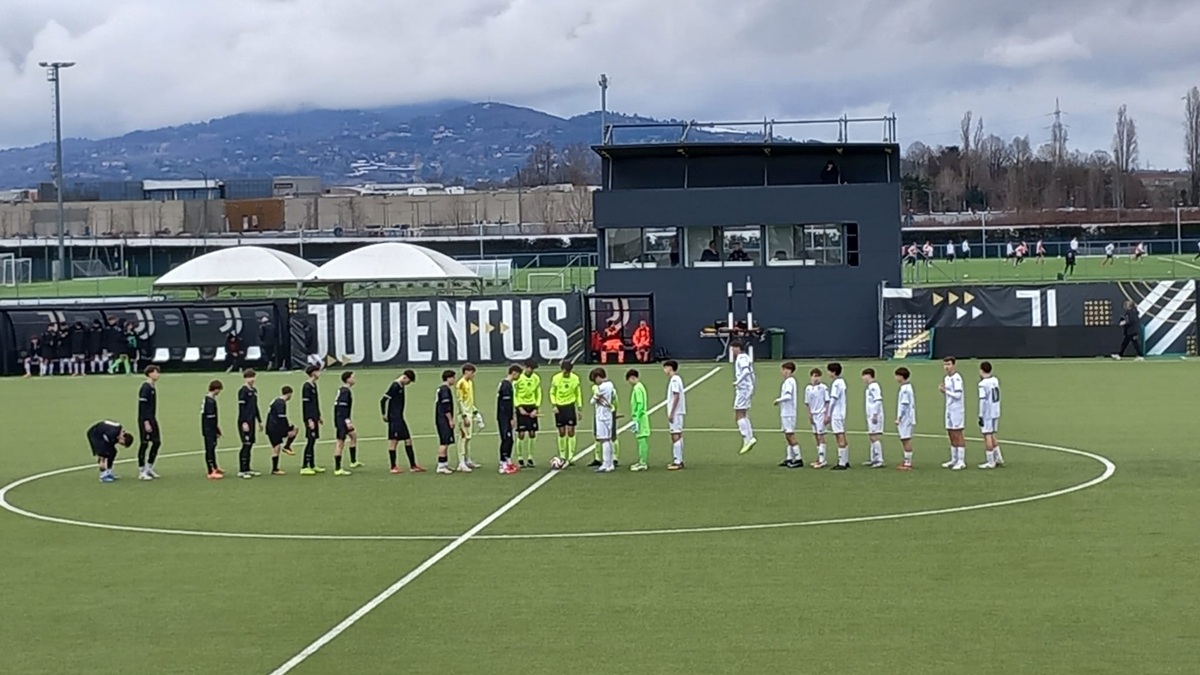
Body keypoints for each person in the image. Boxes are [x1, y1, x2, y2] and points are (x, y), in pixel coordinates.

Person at [380, 369, 424, 475]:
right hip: (395, 418)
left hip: (400, 418)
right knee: (394, 441)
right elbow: (383, 400)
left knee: (408, 440)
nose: (408, 384)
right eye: (409, 381)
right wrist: (384, 414)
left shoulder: (401, 386)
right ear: (405, 377)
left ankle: (413, 465)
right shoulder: (395, 386)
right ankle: (393, 466)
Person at [550, 360, 583, 465]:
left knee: (571, 431)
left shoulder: (575, 378)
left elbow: (578, 393)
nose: (566, 373)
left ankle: (571, 456)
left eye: (568, 371)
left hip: (570, 406)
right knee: (561, 432)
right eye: (565, 371)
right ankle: (562, 455)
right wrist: (554, 405)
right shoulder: (556, 378)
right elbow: (552, 392)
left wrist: (579, 408)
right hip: (559, 407)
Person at [730, 341, 758, 454]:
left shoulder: (742, 358)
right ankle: (750, 438)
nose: (732, 351)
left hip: (743, 389)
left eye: (733, 348)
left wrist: (738, 381)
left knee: (738, 413)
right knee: (743, 413)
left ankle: (747, 439)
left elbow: (746, 371)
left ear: (738, 348)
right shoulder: (744, 357)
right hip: (746, 388)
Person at [939, 356, 967, 471]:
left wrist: (946, 391)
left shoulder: (957, 378)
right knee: (950, 433)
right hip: (949, 409)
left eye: (949, 364)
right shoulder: (946, 378)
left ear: (954, 365)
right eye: (945, 364)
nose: (946, 367)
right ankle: (954, 459)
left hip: (957, 409)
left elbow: (958, 395)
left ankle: (961, 460)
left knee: (958, 433)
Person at [773, 361, 802, 468]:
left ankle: (798, 458)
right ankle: (789, 457)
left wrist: (778, 400)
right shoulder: (788, 381)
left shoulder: (790, 381)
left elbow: (788, 396)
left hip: (789, 413)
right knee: (787, 435)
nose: (784, 372)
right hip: (786, 412)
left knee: (790, 434)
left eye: (786, 369)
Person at [513, 360, 542, 467]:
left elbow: (538, 393)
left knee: (532, 432)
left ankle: (530, 457)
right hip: (521, 406)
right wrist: (519, 407)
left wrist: (536, 408)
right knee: (521, 433)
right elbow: (514, 394)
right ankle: (520, 458)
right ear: (526, 367)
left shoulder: (536, 378)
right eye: (530, 368)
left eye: (533, 369)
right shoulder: (518, 378)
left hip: (532, 406)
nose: (532, 370)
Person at [136, 365, 163, 481]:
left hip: (152, 418)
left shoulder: (152, 387)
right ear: (150, 373)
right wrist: (146, 422)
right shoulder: (145, 388)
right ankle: (141, 470)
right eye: (156, 372)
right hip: (145, 419)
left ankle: (149, 467)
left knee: (156, 442)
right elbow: (142, 407)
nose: (158, 374)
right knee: (144, 443)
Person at [977, 362, 1004, 470]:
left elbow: (982, 400)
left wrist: (980, 415)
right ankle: (998, 458)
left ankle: (990, 461)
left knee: (987, 435)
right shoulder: (995, 380)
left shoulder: (983, 384)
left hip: (987, 412)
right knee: (992, 434)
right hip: (995, 410)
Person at [455, 363, 482, 472]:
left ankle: (467, 459)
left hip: (470, 412)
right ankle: (461, 462)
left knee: (468, 438)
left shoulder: (470, 383)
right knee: (463, 438)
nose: (473, 375)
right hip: (464, 415)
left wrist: (476, 412)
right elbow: (460, 400)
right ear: (466, 372)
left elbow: (469, 400)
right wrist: (464, 415)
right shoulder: (461, 383)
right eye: (472, 372)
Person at [236, 369, 263, 479]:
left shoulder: (254, 390)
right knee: (246, 444)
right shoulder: (242, 391)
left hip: (252, 421)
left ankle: (248, 468)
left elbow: (255, 407)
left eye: (253, 377)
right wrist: (244, 422)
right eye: (250, 377)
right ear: (245, 378)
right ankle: (242, 470)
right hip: (245, 421)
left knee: (251, 443)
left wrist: (259, 421)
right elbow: (242, 408)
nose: (252, 379)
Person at [589, 367, 617, 473]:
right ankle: (610, 464)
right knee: (608, 439)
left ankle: (606, 464)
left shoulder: (602, 387)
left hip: (602, 416)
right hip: (608, 414)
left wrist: (596, 394)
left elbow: (592, 401)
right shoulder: (610, 385)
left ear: (598, 377)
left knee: (604, 440)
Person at [299, 366, 325, 476]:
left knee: (313, 440)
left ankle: (312, 464)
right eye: (318, 371)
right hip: (310, 418)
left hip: (314, 417)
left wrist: (318, 416)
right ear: (313, 373)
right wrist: (309, 419)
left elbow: (315, 403)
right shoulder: (306, 387)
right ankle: (304, 466)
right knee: (310, 440)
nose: (319, 373)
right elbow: (306, 405)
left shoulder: (314, 385)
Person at [266, 386, 298, 476]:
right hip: (275, 427)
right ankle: (287, 447)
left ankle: (275, 468)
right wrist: (287, 429)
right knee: (294, 429)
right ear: (289, 394)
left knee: (276, 447)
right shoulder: (281, 403)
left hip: (271, 426)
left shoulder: (276, 400)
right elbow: (282, 417)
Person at [826, 362, 850, 470]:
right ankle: (845, 459)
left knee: (839, 435)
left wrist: (828, 414)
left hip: (837, 413)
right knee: (842, 435)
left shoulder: (836, 384)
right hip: (842, 412)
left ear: (833, 372)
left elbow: (833, 400)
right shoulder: (842, 382)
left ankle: (842, 462)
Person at [497, 364, 521, 474]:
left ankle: (507, 460)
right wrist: (511, 418)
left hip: (505, 416)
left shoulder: (507, 384)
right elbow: (506, 405)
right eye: (518, 374)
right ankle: (503, 463)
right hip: (504, 417)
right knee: (506, 439)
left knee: (510, 439)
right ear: (514, 373)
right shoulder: (506, 386)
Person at [662, 360, 686, 470]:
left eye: (665, 368)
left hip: (676, 412)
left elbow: (676, 396)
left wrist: (672, 412)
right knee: (678, 435)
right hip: (678, 411)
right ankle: (679, 459)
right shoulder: (677, 379)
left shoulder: (675, 380)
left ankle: (677, 461)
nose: (664, 370)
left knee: (675, 435)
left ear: (670, 368)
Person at [332, 371, 357, 476]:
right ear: (347, 379)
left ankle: (353, 461)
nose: (354, 379)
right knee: (340, 443)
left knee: (353, 435)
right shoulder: (345, 392)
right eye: (352, 377)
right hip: (342, 420)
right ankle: (338, 468)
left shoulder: (342, 390)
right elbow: (342, 408)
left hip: (340, 419)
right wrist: (347, 421)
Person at [626, 369, 650, 471]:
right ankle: (642, 461)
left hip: (640, 418)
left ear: (632, 378)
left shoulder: (637, 388)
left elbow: (640, 404)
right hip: (641, 417)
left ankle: (643, 462)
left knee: (642, 440)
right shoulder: (641, 387)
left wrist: (636, 417)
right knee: (642, 439)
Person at [805, 368, 829, 469]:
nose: (815, 378)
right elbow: (807, 403)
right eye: (814, 376)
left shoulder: (823, 388)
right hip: (813, 414)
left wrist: (827, 414)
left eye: (817, 376)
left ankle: (822, 460)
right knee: (816, 436)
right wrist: (809, 414)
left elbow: (827, 401)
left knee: (820, 435)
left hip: (821, 413)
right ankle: (819, 457)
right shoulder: (808, 388)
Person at [434, 370, 457, 475]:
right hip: (443, 419)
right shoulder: (445, 390)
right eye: (453, 378)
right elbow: (446, 407)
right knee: (444, 442)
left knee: (446, 442)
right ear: (449, 378)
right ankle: (441, 466)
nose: (454, 380)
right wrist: (450, 420)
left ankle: (445, 464)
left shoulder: (441, 389)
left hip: (440, 419)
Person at [861, 368, 885, 468]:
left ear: (869, 375)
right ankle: (873, 458)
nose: (863, 378)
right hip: (871, 415)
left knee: (874, 436)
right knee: (871, 436)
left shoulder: (874, 386)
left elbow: (878, 400)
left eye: (864, 376)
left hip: (874, 416)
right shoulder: (869, 387)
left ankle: (879, 459)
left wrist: (875, 414)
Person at [894, 367, 917, 471]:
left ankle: (908, 463)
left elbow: (904, 404)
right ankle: (907, 460)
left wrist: (899, 418)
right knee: (905, 438)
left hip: (906, 418)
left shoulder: (905, 389)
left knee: (905, 439)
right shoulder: (908, 387)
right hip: (908, 417)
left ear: (901, 376)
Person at [201, 380, 224, 479]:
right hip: (208, 428)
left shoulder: (210, 399)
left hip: (210, 427)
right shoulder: (209, 401)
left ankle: (215, 466)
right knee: (209, 448)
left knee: (213, 447)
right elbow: (210, 417)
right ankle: (210, 471)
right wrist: (215, 429)